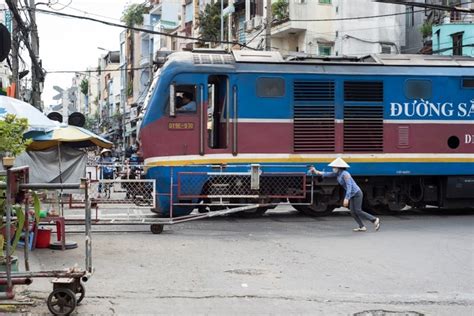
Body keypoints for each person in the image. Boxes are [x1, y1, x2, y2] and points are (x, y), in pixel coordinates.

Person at [309, 157, 380, 232]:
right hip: (352, 194)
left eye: (334, 167)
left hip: (357, 194)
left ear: (339, 167)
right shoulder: (337, 174)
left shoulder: (345, 174)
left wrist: (346, 198)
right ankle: (362, 226)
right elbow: (326, 174)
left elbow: (349, 186)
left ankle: (374, 219)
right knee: (353, 212)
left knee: (358, 210)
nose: (333, 168)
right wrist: (315, 171)